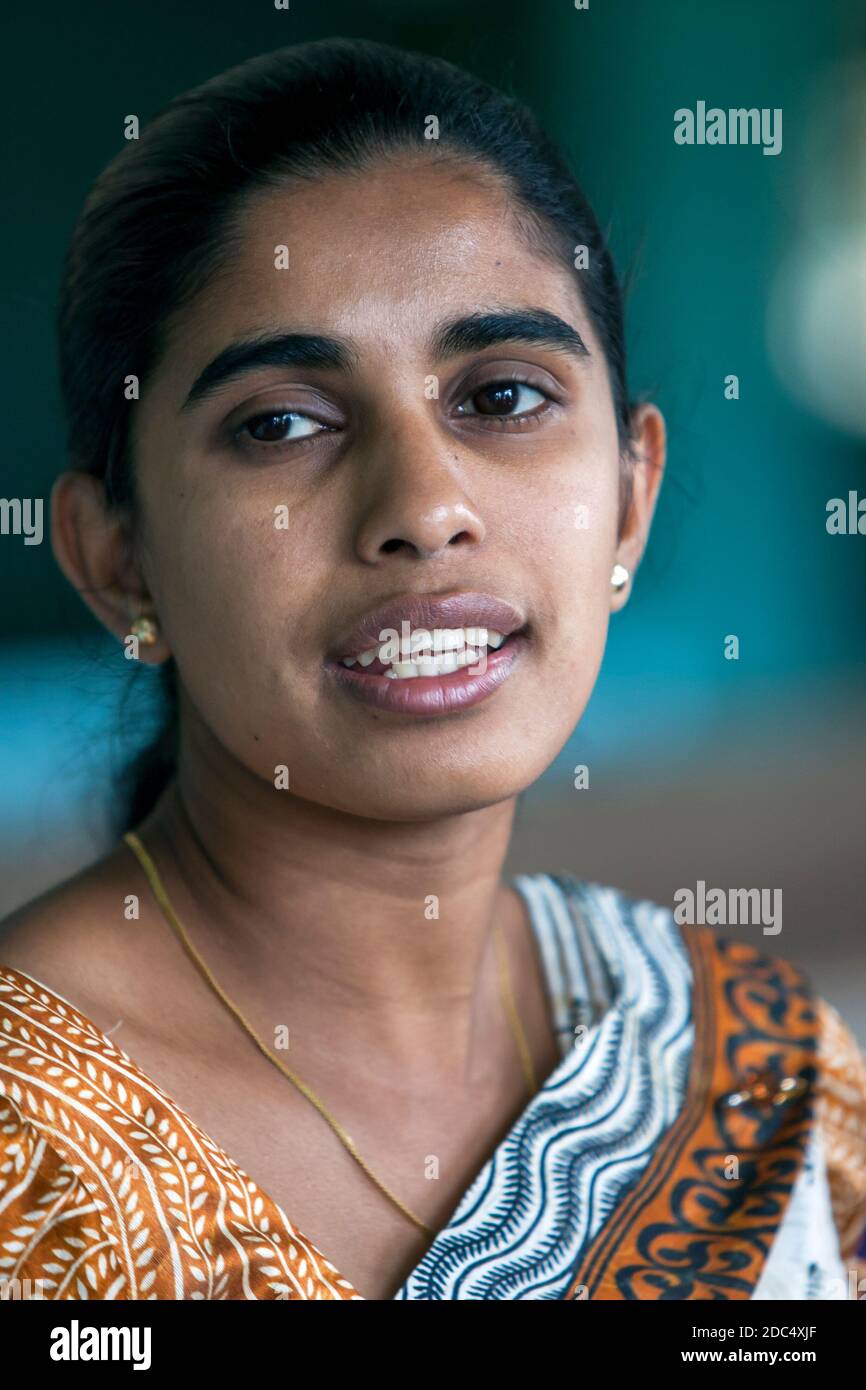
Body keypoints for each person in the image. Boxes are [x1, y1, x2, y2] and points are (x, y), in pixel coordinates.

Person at [1, 37, 864, 1302]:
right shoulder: (31, 1150)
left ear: (629, 501)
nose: (422, 506)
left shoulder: (761, 1077)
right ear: (116, 560)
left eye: (502, 397)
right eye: (283, 421)